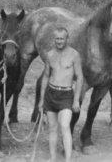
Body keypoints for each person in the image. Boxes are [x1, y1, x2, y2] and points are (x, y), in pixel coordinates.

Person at [39, 27, 83, 162]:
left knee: (64, 126)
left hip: (66, 95)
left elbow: (80, 77)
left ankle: (67, 160)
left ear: (67, 39)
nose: (59, 41)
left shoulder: (74, 55)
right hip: (51, 94)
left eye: (62, 38)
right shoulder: (49, 54)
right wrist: (41, 100)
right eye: (57, 38)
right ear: (54, 39)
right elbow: (46, 76)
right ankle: (52, 158)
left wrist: (76, 100)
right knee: (52, 128)